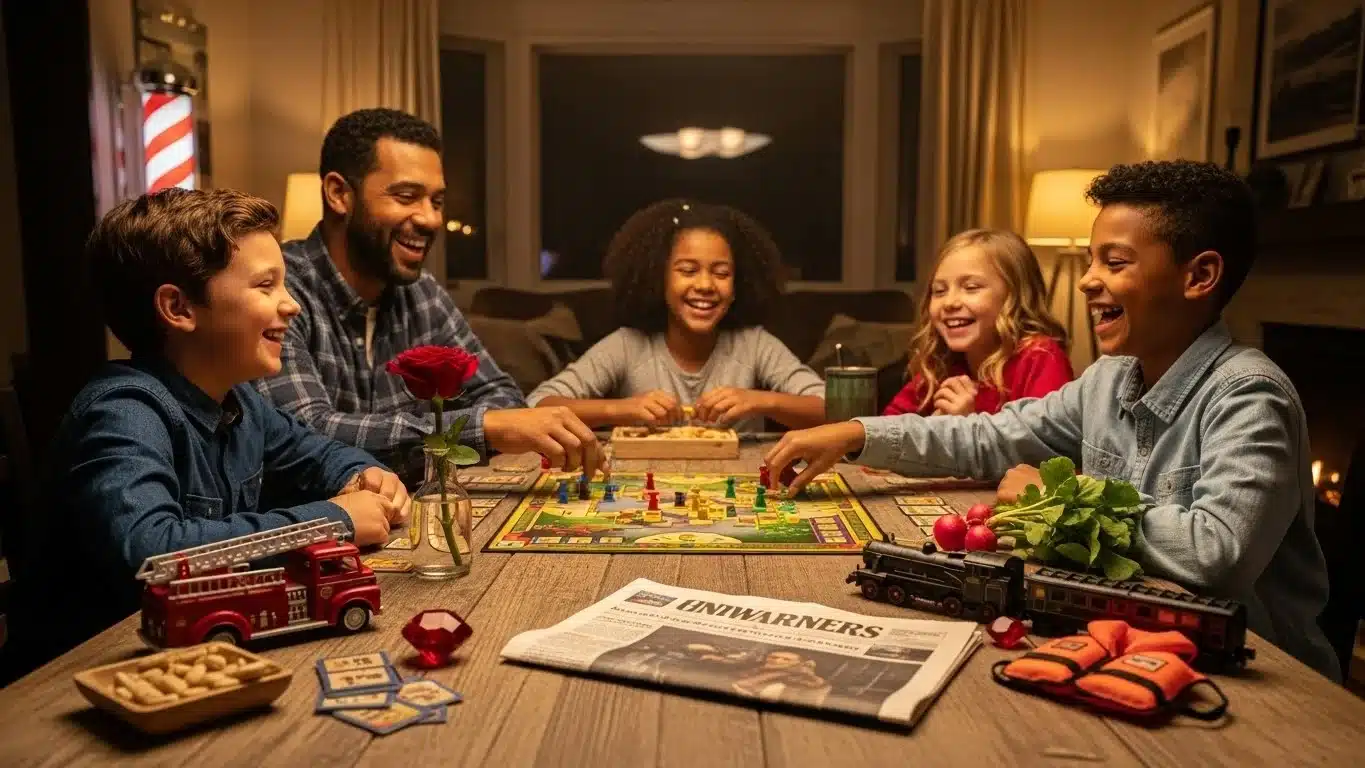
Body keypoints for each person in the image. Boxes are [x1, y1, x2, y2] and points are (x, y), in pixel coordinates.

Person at [765, 161, 1340, 679]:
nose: (1089, 280)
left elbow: (1217, 551)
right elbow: (989, 435)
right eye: (1092, 261)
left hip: (1259, 673)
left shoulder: (1249, 394)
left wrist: (1066, 502)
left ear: (1199, 276)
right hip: (1133, 641)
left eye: (1114, 263)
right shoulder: (1108, 379)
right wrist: (859, 434)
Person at [27, 188, 408, 657]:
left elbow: (322, 453)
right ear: (179, 309)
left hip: (196, 651)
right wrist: (332, 521)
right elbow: (153, 552)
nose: (292, 305)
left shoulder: (239, 402)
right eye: (266, 286)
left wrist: (364, 476)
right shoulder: (124, 412)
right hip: (83, 676)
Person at [255, 108, 602, 476]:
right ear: (339, 194)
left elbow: (501, 397)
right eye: (407, 196)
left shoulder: (423, 294)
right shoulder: (278, 289)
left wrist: (478, 428)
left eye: (436, 201)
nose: (431, 219)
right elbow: (303, 434)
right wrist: (477, 430)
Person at [527, 199, 826, 432]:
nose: (705, 285)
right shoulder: (627, 345)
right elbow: (537, 406)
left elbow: (832, 409)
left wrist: (759, 401)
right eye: (688, 271)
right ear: (660, 279)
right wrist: (621, 410)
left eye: (721, 274)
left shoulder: (755, 345)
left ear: (737, 287)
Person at [882, 228, 1072, 417]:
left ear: (1014, 296)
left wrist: (966, 425)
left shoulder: (1041, 357)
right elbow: (888, 427)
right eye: (939, 291)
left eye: (971, 287)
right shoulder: (942, 364)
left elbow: (1045, 443)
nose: (949, 302)